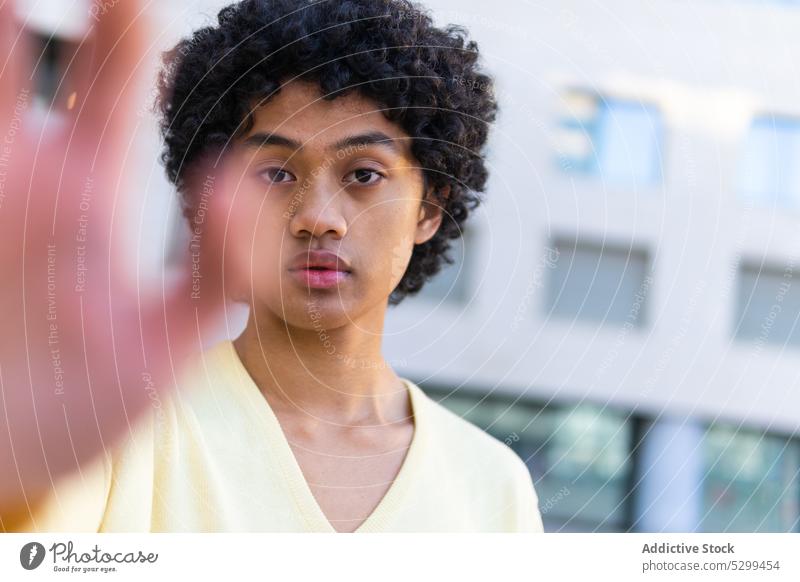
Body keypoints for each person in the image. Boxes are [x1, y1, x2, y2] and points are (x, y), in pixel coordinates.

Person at [1, 0, 544, 532]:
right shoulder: (111, 418)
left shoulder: (493, 488)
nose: (317, 218)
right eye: (277, 172)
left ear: (429, 208)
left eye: (364, 175)